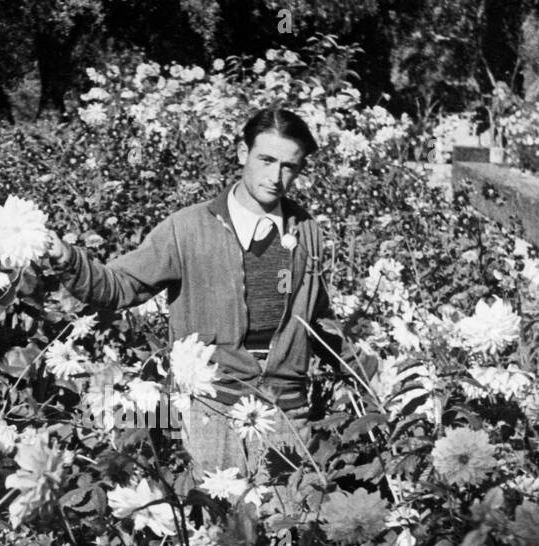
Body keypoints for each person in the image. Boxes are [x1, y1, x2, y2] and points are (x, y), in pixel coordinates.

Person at [44, 107, 339, 495]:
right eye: (266, 160)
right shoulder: (187, 228)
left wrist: (360, 381)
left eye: (289, 167)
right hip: (211, 410)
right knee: (218, 536)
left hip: (285, 408)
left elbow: (319, 320)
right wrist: (70, 261)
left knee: (289, 531)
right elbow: (121, 285)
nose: (276, 177)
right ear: (241, 153)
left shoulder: (307, 232)